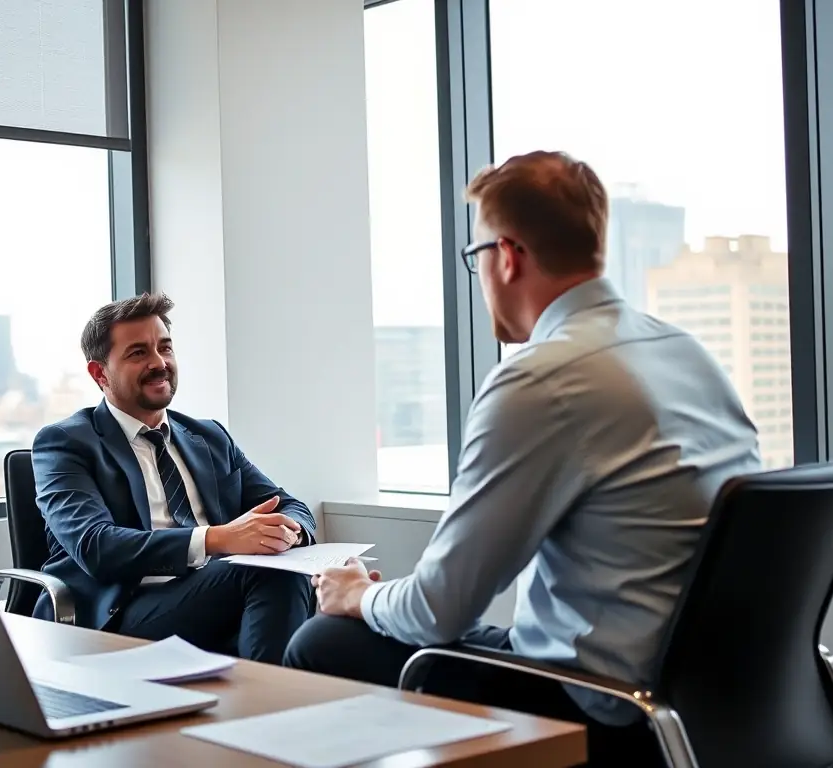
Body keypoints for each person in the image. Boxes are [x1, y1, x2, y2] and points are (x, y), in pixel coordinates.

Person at [284, 151, 761, 733]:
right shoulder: (685, 352)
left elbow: (438, 611)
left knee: (324, 639)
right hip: (721, 696)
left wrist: (354, 594)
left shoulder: (542, 379)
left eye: (474, 256)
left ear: (506, 256)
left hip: (607, 705)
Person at [32, 293, 316, 664]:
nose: (159, 363)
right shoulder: (66, 443)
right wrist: (218, 539)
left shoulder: (209, 436)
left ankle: (274, 705)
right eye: (138, 353)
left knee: (304, 579)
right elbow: (96, 546)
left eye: (164, 348)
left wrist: (283, 530)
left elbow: (288, 504)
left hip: (213, 590)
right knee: (272, 577)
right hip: (122, 608)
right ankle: (276, 709)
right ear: (100, 373)